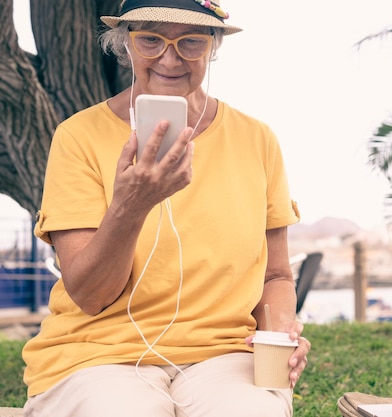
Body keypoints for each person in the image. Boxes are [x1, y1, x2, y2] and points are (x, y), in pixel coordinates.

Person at [21, 1, 310, 416]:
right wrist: (130, 206)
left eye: (190, 42)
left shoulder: (256, 139)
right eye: (151, 40)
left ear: (213, 46)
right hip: (98, 355)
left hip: (223, 354)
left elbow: (277, 274)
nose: (170, 58)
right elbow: (88, 295)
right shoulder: (78, 137)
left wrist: (282, 333)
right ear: (126, 45)